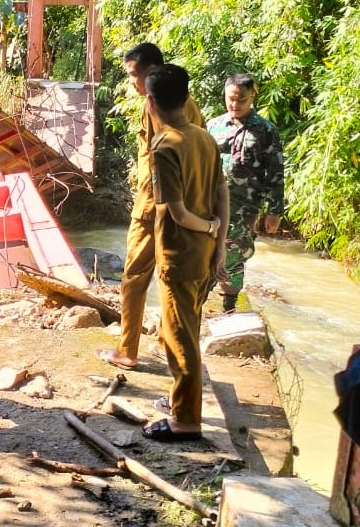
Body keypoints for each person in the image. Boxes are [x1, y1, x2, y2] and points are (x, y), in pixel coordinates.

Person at [96, 42, 204, 369]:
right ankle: (164, 346)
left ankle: (127, 350)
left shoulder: (157, 105)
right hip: (182, 207)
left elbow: (164, 162)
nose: (130, 82)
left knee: (134, 277)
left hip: (154, 207)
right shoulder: (186, 103)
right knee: (171, 279)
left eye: (133, 75)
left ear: (150, 73)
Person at [139, 64, 229, 441]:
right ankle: (181, 400)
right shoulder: (204, 138)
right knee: (184, 327)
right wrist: (219, 242)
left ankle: (187, 420)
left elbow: (177, 212)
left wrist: (208, 227)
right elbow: (222, 193)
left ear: (151, 101)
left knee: (179, 338)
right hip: (205, 253)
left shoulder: (164, 146)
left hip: (179, 253)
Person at [206, 74, 284, 313]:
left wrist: (274, 211)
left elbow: (275, 172)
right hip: (211, 204)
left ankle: (228, 308)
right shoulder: (212, 126)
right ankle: (197, 301)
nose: (235, 104)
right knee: (205, 250)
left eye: (242, 99)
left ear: (252, 97)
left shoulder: (266, 131)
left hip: (245, 207)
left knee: (236, 255)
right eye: (231, 98)